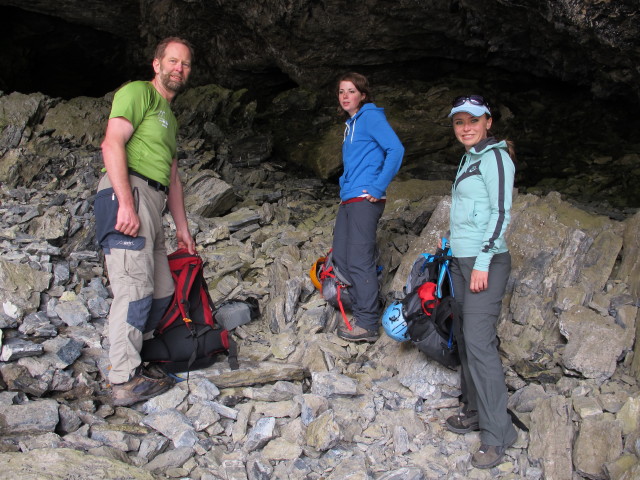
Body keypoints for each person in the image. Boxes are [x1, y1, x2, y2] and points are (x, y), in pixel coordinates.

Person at [94, 37, 196, 406]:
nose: (177, 69)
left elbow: (172, 176)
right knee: (134, 288)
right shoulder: (139, 93)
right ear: (156, 64)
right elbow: (111, 143)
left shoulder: (170, 119)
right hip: (129, 192)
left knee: (162, 291)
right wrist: (125, 203)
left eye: (184, 64)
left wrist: (182, 228)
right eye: (172, 61)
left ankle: (137, 357)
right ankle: (122, 378)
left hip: (152, 201)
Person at [443, 94, 518, 469]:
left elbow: (502, 213)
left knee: (479, 342)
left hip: (484, 263)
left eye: (473, 120)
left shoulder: (496, 158)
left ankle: (498, 433)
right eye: (459, 122)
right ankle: (474, 410)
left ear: (488, 121)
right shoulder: (468, 158)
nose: (466, 127)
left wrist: (483, 262)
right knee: (465, 337)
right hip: (460, 260)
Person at [332, 72, 404, 342]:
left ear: (362, 95)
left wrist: (377, 187)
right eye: (341, 92)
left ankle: (368, 323)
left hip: (365, 199)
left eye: (351, 91)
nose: (345, 96)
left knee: (360, 259)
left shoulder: (371, 117)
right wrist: (343, 185)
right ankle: (361, 304)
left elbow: (396, 150)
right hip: (349, 198)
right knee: (341, 255)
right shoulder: (351, 125)